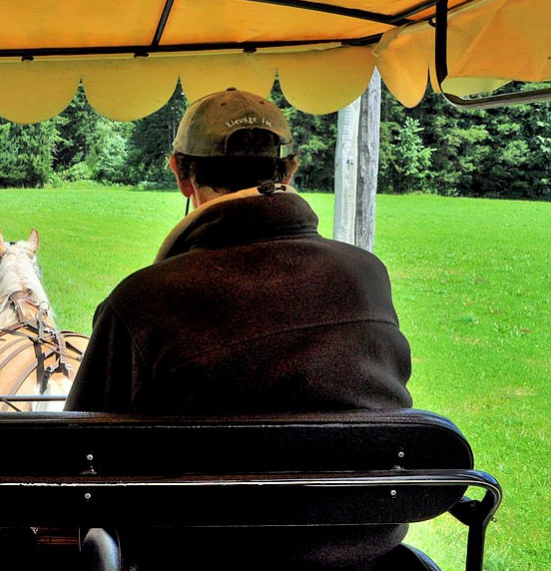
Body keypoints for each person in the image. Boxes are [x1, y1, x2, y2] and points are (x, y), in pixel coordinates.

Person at [66, 88, 412, 570]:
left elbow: (78, 458)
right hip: (364, 559)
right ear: (290, 170)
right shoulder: (367, 277)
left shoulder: (141, 302)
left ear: (181, 174)